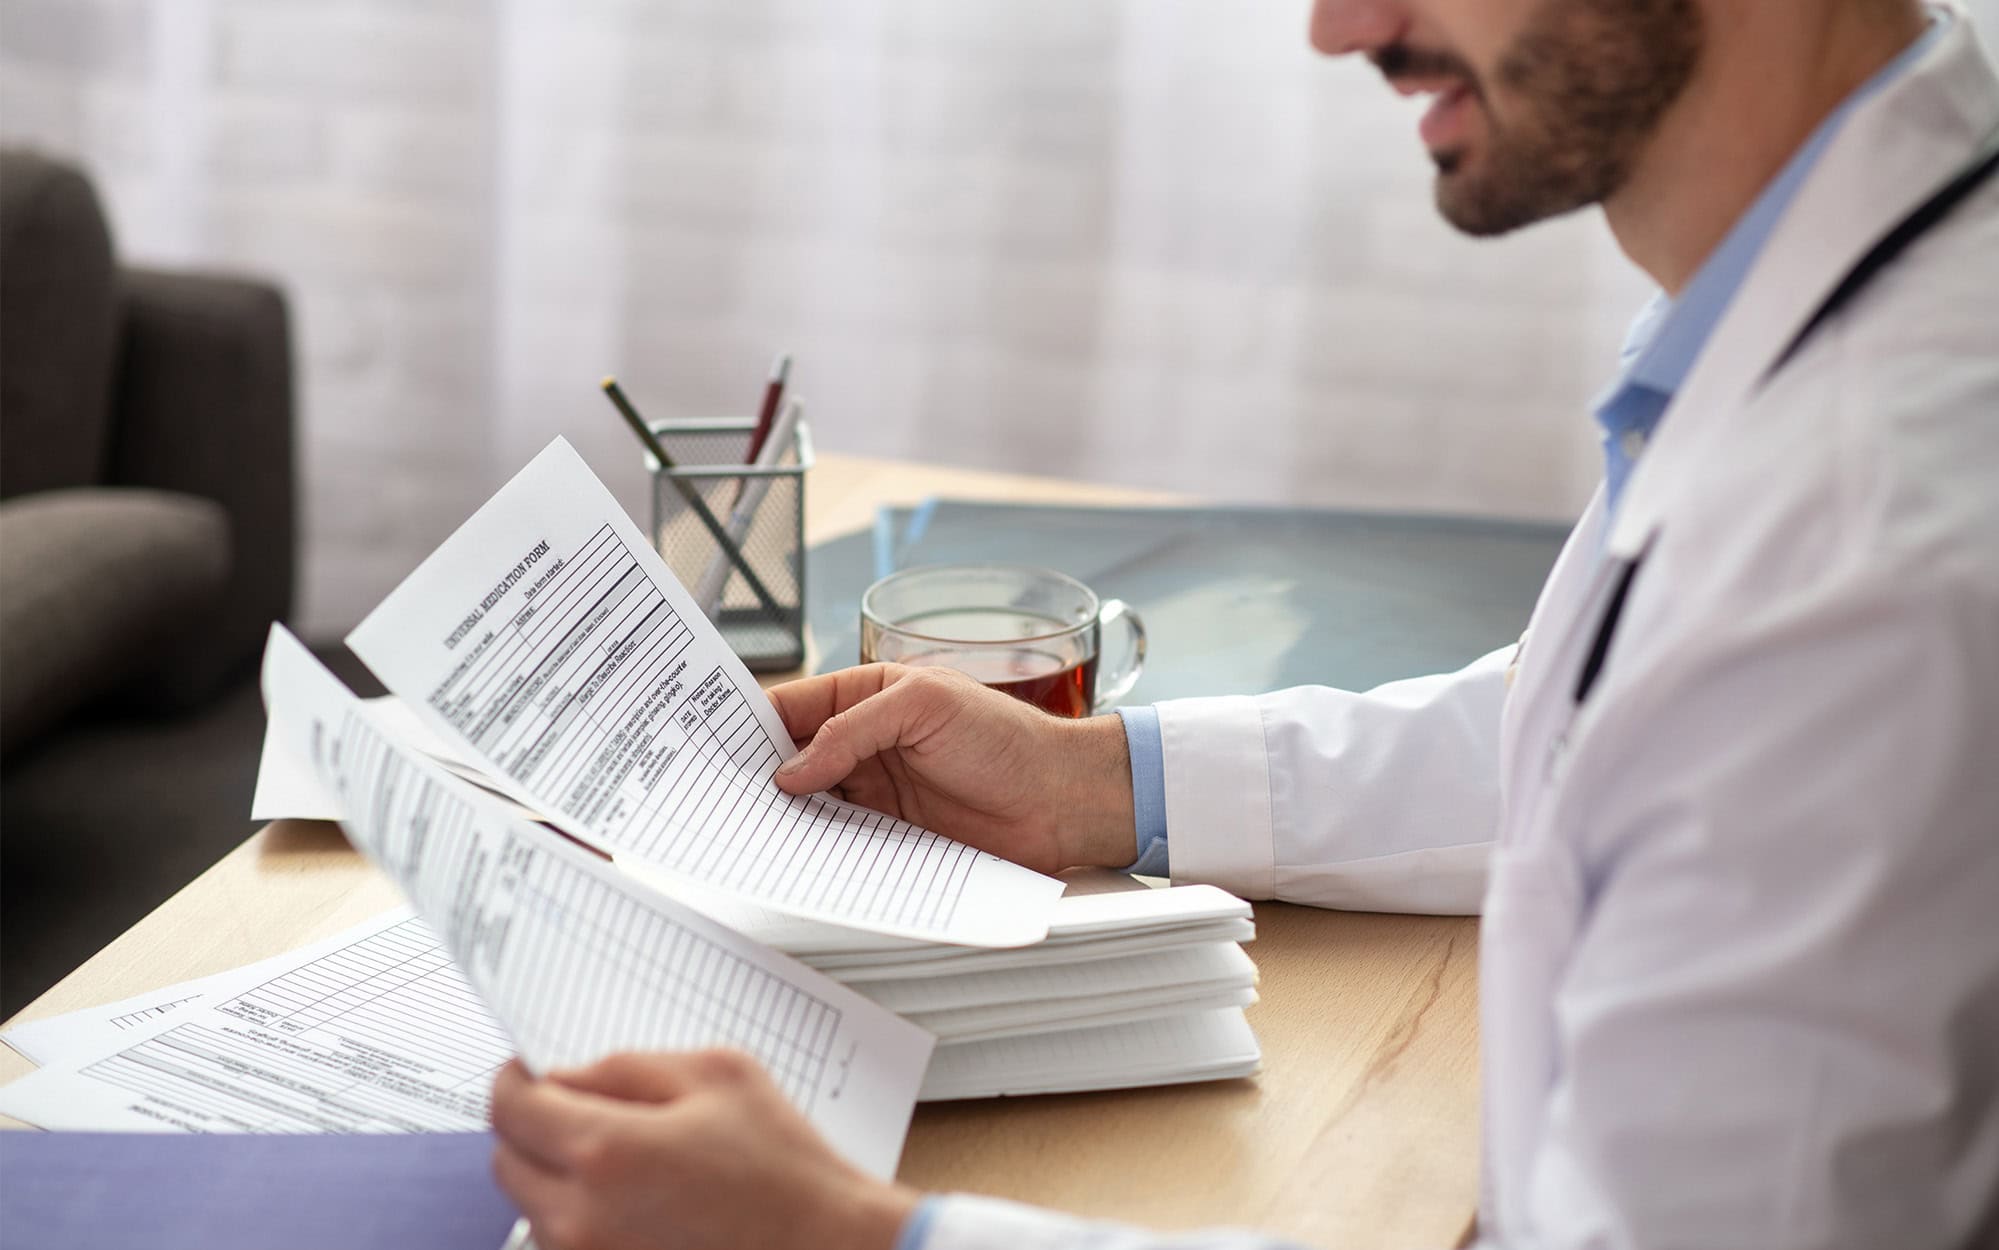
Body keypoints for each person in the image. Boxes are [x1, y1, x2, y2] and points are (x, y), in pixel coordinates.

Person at [486, 0, 1999, 1245]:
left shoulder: (1867, 546)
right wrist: (1099, 783)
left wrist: (853, 1238)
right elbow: (1627, 735)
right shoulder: (1840, 306)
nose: (1346, 28)